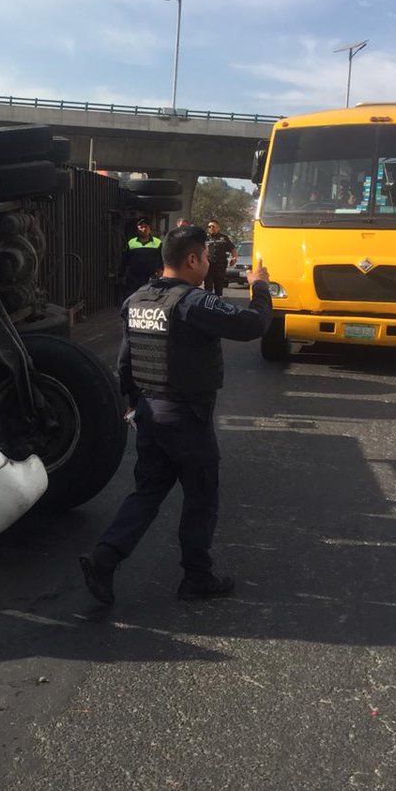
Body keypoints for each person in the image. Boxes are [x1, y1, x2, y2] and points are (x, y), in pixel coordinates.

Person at [79, 225, 273, 605]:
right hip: (186, 418)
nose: (207, 264)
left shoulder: (136, 300)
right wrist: (260, 286)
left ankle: (104, 558)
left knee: (148, 492)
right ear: (192, 260)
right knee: (202, 496)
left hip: (150, 414)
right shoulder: (193, 302)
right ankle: (197, 577)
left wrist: (135, 406)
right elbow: (252, 326)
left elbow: (125, 362)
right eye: (205, 258)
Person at [120, 218, 162, 300]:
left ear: (150, 228)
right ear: (137, 230)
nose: (144, 229)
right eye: (141, 227)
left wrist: (160, 270)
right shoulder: (131, 243)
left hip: (151, 277)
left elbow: (161, 259)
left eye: (146, 227)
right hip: (134, 278)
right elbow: (125, 260)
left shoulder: (157, 243)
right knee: (134, 298)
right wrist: (122, 274)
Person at [204, 219, 237, 296]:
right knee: (208, 287)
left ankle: (218, 303)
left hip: (220, 266)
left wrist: (234, 258)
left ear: (218, 228)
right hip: (208, 266)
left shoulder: (224, 238)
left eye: (213, 226)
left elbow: (232, 249)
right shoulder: (205, 238)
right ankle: (207, 304)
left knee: (218, 287)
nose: (211, 228)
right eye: (209, 226)